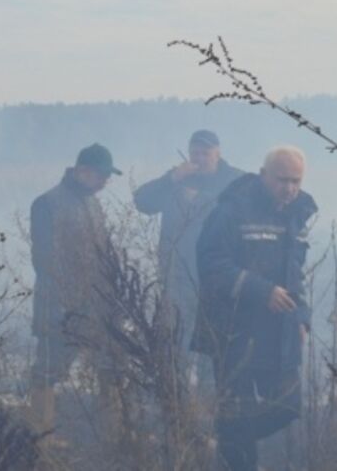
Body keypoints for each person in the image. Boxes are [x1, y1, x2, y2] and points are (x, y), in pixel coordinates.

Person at [193, 146, 316, 471]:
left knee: (287, 407)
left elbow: (295, 274)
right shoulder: (231, 210)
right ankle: (232, 450)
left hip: (279, 333)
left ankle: (220, 438)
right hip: (234, 331)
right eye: (282, 180)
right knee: (238, 414)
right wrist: (261, 291)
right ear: (264, 176)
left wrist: (302, 317)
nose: (289, 188)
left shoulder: (297, 212)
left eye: (296, 181)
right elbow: (211, 264)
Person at [29, 143, 121, 437]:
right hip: (60, 306)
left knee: (111, 368)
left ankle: (114, 437)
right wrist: (66, 303)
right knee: (47, 372)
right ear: (82, 171)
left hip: (98, 305)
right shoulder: (47, 203)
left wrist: (109, 295)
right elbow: (43, 260)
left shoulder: (93, 203)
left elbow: (103, 252)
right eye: (101, 175)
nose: (106, 181)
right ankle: (40, 439)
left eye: (109, 176)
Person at [133, 130, 243, 364]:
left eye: (205, 153)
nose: (200, 158)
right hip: (177, 275)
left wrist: (201, 199)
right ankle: (177, 397)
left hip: (217, 276)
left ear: (218, 154)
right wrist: (172, 177)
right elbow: (142, 201)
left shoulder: (234, 181)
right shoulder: (176, 180)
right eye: (195, 153)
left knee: (212, 345)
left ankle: (209, 397)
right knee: (176, 343)